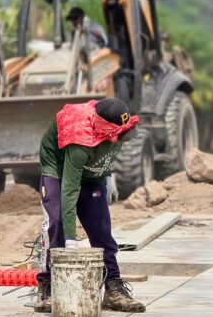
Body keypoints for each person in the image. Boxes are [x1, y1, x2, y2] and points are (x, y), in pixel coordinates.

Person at [34, 97, 145, 313]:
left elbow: (106, 152)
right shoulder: (79, 142)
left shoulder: (117, 131)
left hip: (90, 171)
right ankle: (47, 285)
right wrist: (70, 241)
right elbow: (69, 190)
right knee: (56, 221)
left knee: (101, 228)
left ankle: (113, 288)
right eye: (119, 135)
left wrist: (107, 176)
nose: (123, 139)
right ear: (105, 129)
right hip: (59, 169)